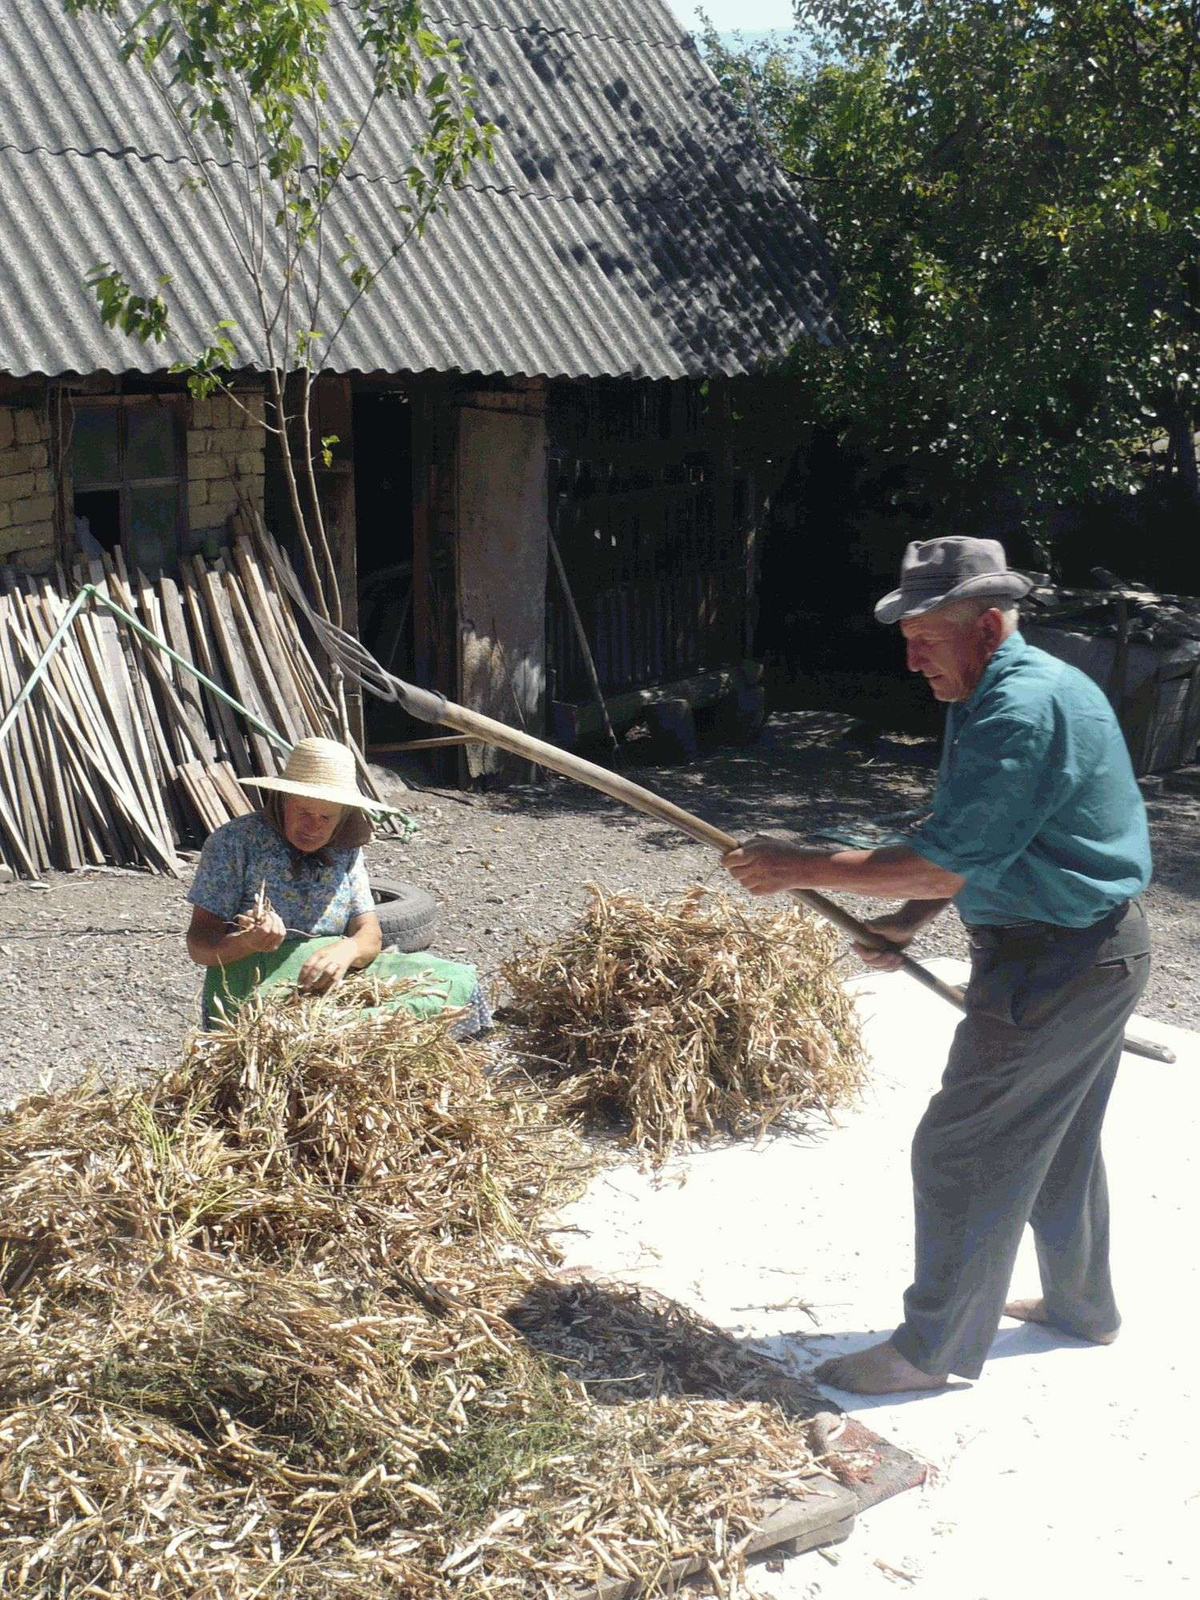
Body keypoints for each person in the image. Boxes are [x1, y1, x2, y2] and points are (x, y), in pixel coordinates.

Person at [725, 537, 1152, 1394]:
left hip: (1059, 964)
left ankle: (931, 1352)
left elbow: (941, 865)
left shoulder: (1018, 709)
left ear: (987, 625)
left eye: (925, 635)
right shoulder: (995, 692)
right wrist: (912, 924)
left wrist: (795, 865)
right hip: (1090, 953)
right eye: (907, 635)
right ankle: (1083, 1307)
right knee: (1057, 1141)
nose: (911, 656)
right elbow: (977, 847)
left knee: (964, 1147)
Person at [187, 736, 489, 1033]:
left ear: (343, 815)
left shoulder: (344, 847)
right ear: (281, 801)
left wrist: (348, 950)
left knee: (456, 982)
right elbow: (199, 948)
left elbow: (370, 935)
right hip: (255, 978)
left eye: (326, 817)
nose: (313, 827)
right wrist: (248, 941)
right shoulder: (234, 843)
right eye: (303, 812)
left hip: (334, 975)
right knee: (299, 1030)